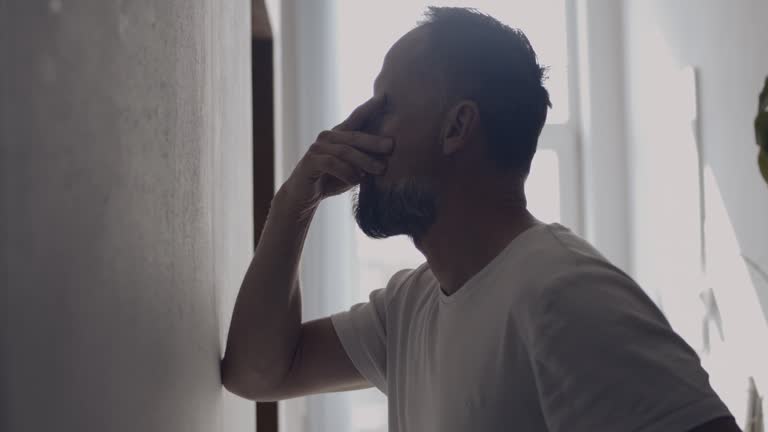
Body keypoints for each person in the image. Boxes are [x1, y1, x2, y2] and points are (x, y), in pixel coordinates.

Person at [222, 7, 741, 432]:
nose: (357, 132)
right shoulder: (410, 306)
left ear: (457, 127)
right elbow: (255, 372)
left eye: (384, 108)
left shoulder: (565, 293)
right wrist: (295, 199)